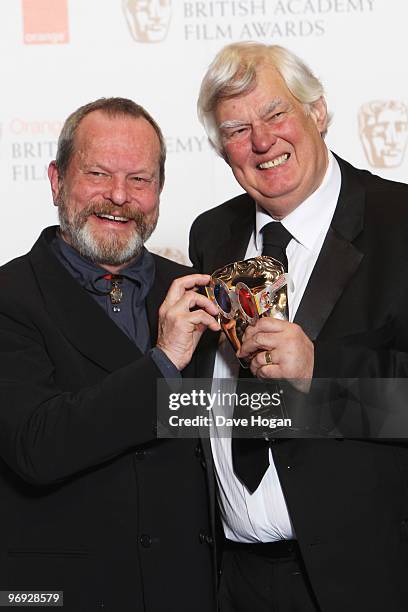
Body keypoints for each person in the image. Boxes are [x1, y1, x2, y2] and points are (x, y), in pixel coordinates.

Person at [190, 42, 408, 612]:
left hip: (364, 581)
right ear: (222, 152)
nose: (262, 141)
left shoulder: (399, 225)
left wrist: (321, 370)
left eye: (276, 114)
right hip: (232, 580)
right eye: (237, 129)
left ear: (317, 113)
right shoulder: (210, 236)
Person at [0, 97, 220, 612]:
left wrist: (306, 381)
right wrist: (161, 364)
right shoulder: (10, 296)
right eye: (97, 174)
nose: (119, 197)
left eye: (139, 180)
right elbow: (37, 445)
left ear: (159, 191)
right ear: (57, 180)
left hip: (189, 591)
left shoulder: (194, 292)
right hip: (62, 594)